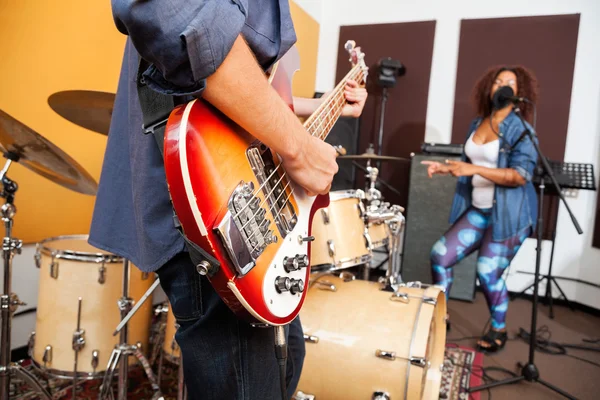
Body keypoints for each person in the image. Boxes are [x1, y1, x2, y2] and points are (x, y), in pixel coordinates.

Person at [88, 1, 367, 399]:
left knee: (284, 367)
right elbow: (176, 15)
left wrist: (329, 103)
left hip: (248, 203)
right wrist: (298, 149)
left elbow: (252, 93)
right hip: (215, 201)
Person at [422, 65, 539, 353]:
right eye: (497, 81)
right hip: (479, 208)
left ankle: (499, 329)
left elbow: (519, 176)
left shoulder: (521, 130)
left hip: (511, 215)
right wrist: (448, 169)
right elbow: (474, 165)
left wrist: (470, 168)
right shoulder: (478, 123)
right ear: (490, 87)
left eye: (509, 83)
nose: (502, 86)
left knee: (487, 271)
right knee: (440, 255)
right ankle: (442, 315)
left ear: (518, 93)